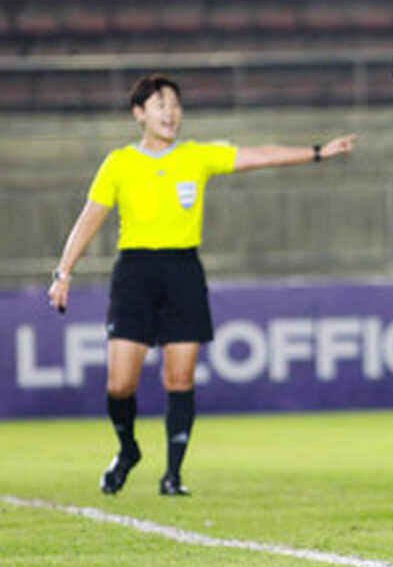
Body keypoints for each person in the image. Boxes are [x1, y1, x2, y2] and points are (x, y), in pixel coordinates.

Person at [47, 74, 356, 496]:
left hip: (182, 272)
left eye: (175, 105)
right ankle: (128, 449)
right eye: (160, 105)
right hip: (135, 273)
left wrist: (317, 152)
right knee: (120, 385)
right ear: (139, 114)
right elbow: (89, 219)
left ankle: (173, 475)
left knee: (179, 378)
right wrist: (64, 273)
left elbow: (259, 156)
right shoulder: (119, 163)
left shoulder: (196, 156)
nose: (170, 113)